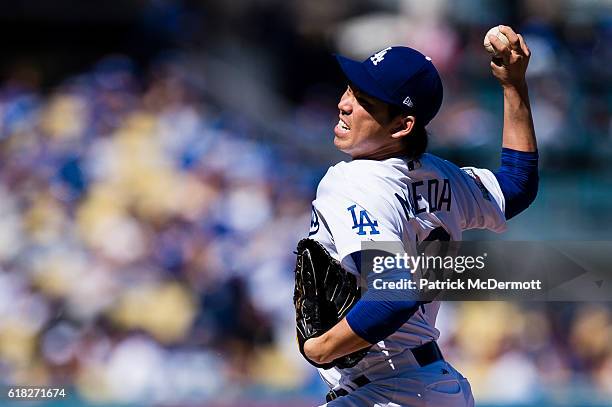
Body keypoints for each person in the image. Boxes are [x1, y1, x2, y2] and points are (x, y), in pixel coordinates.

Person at [299, 26, 539, 406]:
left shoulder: (352, 181)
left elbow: (396, 292)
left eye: (365, 101)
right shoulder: (443, 174)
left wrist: (321, 349)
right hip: (437, 386)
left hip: (384, 388)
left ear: (401, 125)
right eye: (350, 89)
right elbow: (517, 185)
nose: (345, 104)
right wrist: (513, 87)